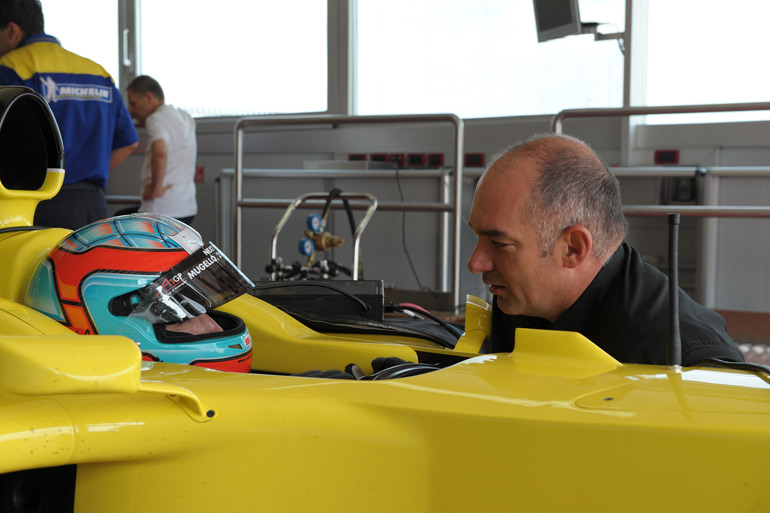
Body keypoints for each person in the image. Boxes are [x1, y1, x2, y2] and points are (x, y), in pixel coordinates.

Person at [467, 133, 745, 366]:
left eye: (500, 244)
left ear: (573, 249)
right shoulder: (523, 300)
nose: (476, 263)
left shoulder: (688, 360)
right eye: (478, 236)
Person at [0, 0, 139, 230]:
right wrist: (84, 173)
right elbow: (129, 143)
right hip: (94, 205)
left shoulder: (10, 68)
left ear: (12, 30)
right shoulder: (99, 73)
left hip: (38, 204)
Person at [125, 75, 197, 225]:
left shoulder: (156, 118)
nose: (131, 111)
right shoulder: (185, 117)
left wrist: (154, 191)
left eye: (133, 104)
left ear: (149, 98)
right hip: (186, 207)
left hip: (161, 210)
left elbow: (160, 152)